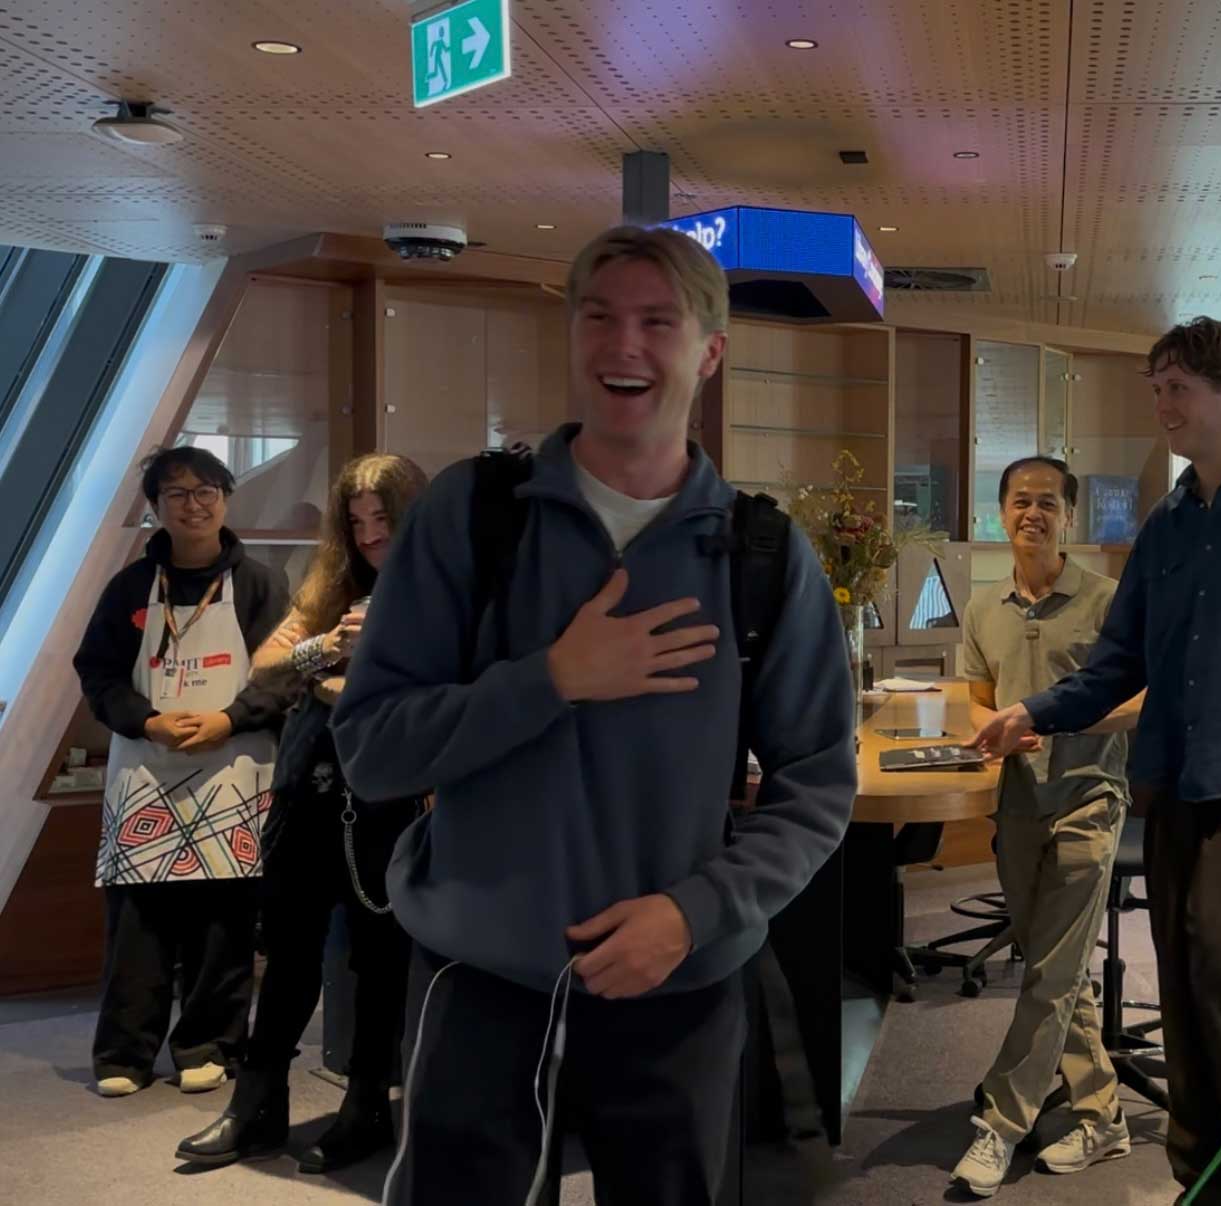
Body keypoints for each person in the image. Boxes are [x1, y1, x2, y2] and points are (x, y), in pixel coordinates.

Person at [332, 225, 856, 1206]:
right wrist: (552, 680)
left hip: (678, 984)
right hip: (480, 976)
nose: (624, 345)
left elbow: (817, 790)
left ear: (708, 352)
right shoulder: (473, 516)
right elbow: (371, 750)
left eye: (657, 322)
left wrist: (692, 915)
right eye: (599, 316)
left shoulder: (761, 557)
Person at [974, 316, 1221, 1206]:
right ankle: (1206, 1179)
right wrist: (1030, 710)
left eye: (1176, 388)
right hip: (1173, 792)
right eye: (1154, 388)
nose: (1161, 404)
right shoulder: (1167, 523)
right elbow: (1118, 664)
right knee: (1188, 993)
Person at [176, 454, 430, 1173]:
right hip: (307, 788)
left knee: (378, 960)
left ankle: (366, 1107)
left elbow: (425, 693)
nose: (371, 534)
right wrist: (332, 648)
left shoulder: (441, 591)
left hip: (386, 795)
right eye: (356, 521)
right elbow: (265, 665)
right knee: (287, 950)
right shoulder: (332, 586)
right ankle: (257, 1104)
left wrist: (333, 674)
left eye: (383, 519)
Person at [952, 455, 1143, 1197]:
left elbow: (1143, 699)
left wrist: (1058, 722)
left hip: (1090, 799)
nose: (1033, 513)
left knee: (1053, 968)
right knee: (1052, 968)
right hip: (1019, 802)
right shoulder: (982, 605)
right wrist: (999, 729)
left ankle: (1000, 1124)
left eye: (1048, 503)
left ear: (1069, 517)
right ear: (1001, 513)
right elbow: (976, 699)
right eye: (1020, 501)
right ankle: (1103, 1117)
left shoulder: (1105, 599)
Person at [71, 446, 289, 1098]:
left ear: (226, 496)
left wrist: (230, 717)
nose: (192, 506)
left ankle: (208, 1044)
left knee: (224, 924)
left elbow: (285, 674)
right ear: (155, 509)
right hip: (148, 769)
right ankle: (123, 1054)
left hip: (234, 768)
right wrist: (145, 720)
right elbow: (97, 672)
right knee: (137, 922)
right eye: (176, 495)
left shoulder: (261, 582)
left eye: (205, 492)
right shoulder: (129, 587)